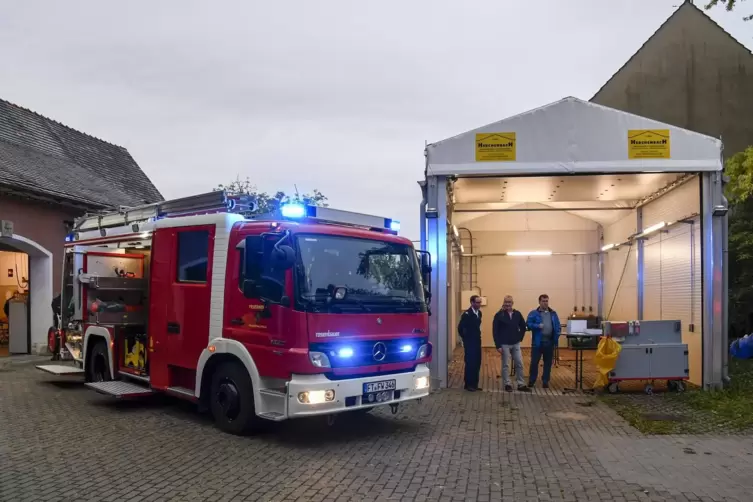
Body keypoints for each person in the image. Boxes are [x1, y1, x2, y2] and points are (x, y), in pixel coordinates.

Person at [493, 295, 531, 393]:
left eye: (509, 302)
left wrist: (520, 337)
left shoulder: (517, 314)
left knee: (519, 363)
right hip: (504, 344)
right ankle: (507, 384)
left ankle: (521, 384)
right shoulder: (499, 315)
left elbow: (523, 326)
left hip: (516, 343)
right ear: (503, 303)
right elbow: (495, 331)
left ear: (512, 303)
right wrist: (498, 345)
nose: (507, 304)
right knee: (506, 364)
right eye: (506, 302)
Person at [526, 294, 561, 389]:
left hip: (549, 342)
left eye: (547, 301)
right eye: (543, 301)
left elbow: (558, 326)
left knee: (548, 363)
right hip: (537, 343)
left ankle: (545, 381)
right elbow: (528, 324)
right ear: (539, 302)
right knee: (534, 362)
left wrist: (556, 336)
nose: (545, 303)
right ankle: (532, 380)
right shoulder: (534, 313)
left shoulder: (553, 313)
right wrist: (537, 326)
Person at [458, 295, 483, 391]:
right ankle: (468, 384)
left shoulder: (479, 313)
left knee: (477, 362)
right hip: (470, 342)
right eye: (477, 302)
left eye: (480, 302)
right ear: (472, 303)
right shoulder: (467, 314)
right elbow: (460, 328)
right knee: (470, 363)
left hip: (477, 341)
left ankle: (475, 384)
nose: (479, 304)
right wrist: (466, 339)